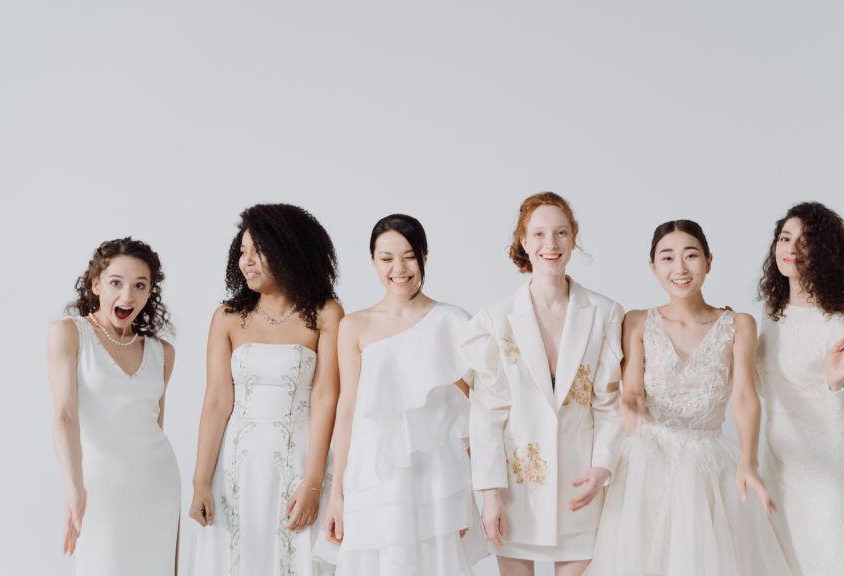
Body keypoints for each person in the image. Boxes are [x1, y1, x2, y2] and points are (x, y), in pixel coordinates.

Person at [584, 220, 791, 576]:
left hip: (709, 467)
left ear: (709, 262)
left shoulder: (739, 324)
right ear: (653, 268)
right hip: (646, 464)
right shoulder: (636, 321)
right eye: (667, 258)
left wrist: (748, 461)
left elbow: (744, 395)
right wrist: (630, 402)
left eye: (690, 255)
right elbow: (631, 388)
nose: (679, 268)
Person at [459, 192, 624, 576]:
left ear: (573, 238)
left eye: (561, 233)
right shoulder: (495, 319)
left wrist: (602, 469)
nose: (551, 244)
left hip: (581, 487)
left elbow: (608, 405)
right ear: (524, 242)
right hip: (517, 490)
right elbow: (486, 414)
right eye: (539, 234)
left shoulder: (604, 313)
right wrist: (489, 494)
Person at [316, 214, 488, 575]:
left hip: (436, 475)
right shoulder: (355, 325)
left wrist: (465, 492)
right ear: (373, 261)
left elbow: (473, 412)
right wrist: (336, 494)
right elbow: (348, 409)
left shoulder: (454, 321)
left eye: (409, 256)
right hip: (374, 474)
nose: (399, 268)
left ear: (425, 255)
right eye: (386, 258)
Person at [189, 204, 343, 575]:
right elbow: (216, 402)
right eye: (242, 252)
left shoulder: (326, 314)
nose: (247, 261)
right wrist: (200, 482)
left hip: (300, 463)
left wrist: (312, 483)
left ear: (291, 251)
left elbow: (326, 399)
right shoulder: (226, 317)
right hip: (235, 466)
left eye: (259, 251)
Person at [756, 202, 844, 576]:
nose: (792, 249)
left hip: (829, 478)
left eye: (807, 242)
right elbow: (759, 388)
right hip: (780, 470)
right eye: (786, 238)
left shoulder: (840, 322)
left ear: (826, 254)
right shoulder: (769, 316)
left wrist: (835, 382)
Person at [48, 237, 181, 574]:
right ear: (95, 284)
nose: (127, 296)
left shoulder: (162, 352)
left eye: (140, 285)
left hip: (158, 486)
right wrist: (73, 485)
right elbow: (65, 415)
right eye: (116, 283)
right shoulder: (69, 333)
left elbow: (155, 424)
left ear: (150, 291)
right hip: (100, 488)